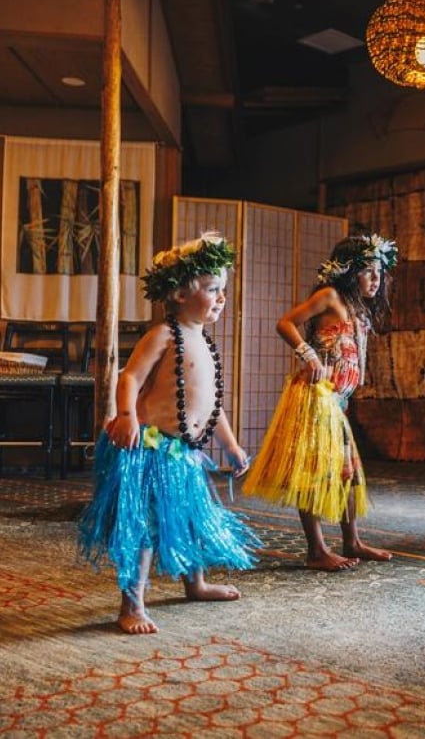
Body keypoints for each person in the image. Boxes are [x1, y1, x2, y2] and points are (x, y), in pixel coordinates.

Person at [77, 231, 260, 635]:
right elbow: (129, 377)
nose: (221, 298)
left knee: (191, 519)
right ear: (179, 293)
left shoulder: (203, 341)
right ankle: (133, 603)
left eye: (222, 290)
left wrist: (229, 445)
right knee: (143, 528)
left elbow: (212, 406)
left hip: (184, 453)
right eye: (213, 289)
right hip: (149, 448)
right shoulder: (162, 335)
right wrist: (125, 415)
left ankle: (195, 583)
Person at [241, 233, 397, 570]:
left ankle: (352, 540)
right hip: (315, 398)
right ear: (349, 270)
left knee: (348, 474)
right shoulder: (329, 296)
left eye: (379, 272)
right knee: (314, 473)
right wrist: (309, 357)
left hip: (336, 402)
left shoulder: (358, 308)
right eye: (368, 271)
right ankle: (316, 550)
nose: (376, 279)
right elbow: (285, 323)